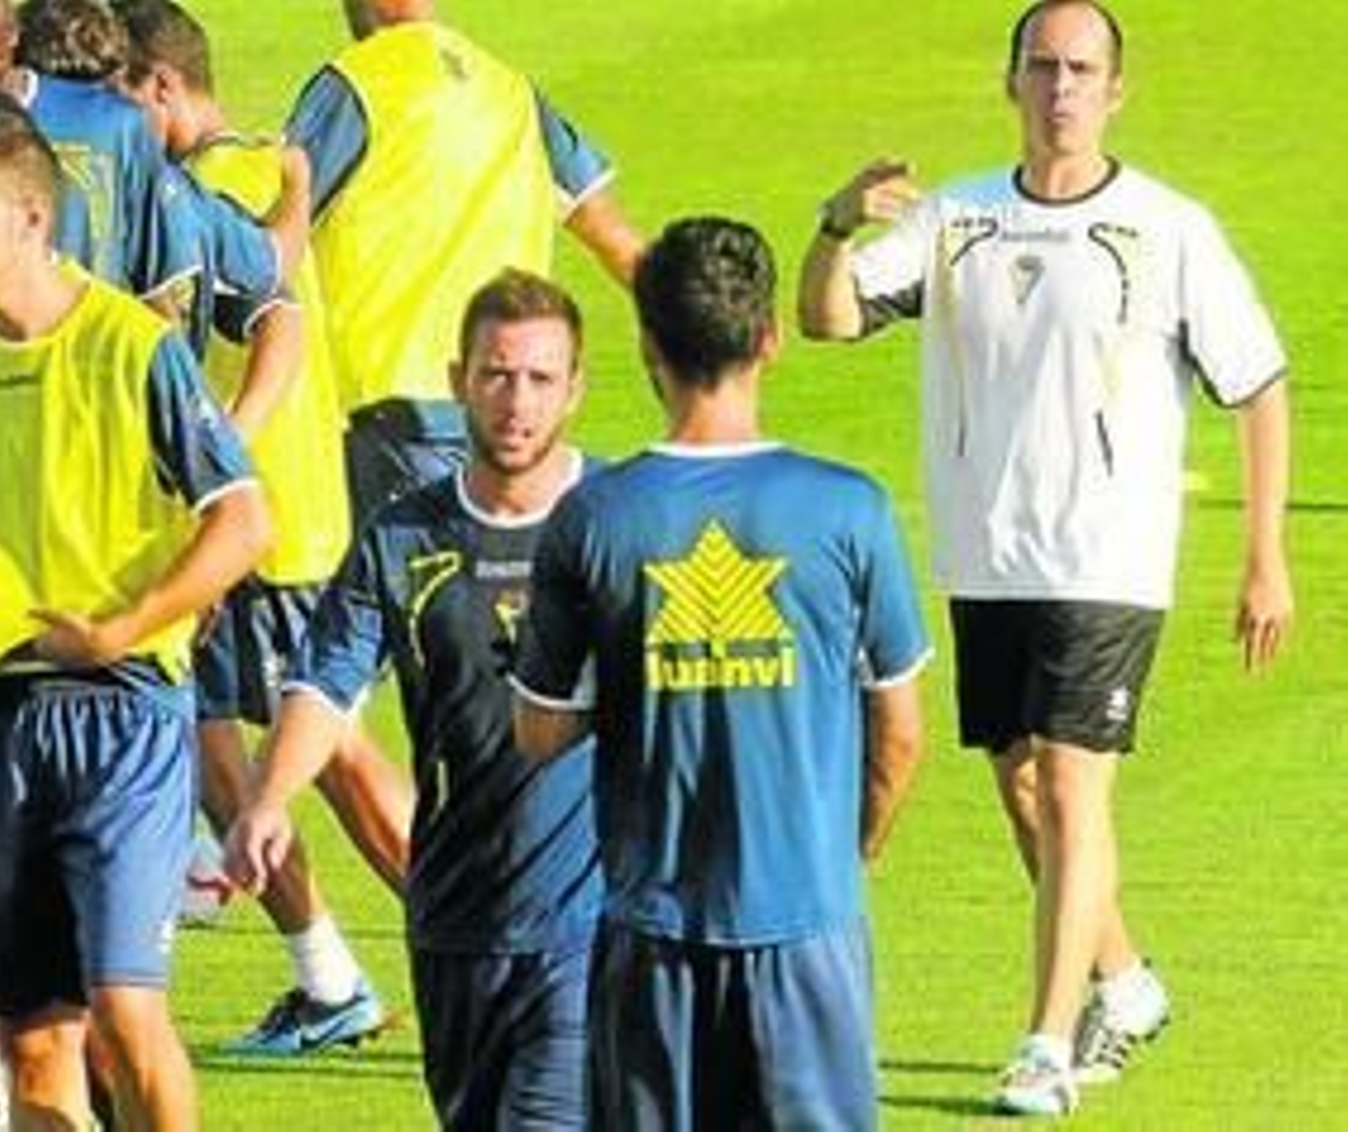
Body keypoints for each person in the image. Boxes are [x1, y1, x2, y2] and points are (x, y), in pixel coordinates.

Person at [796, 0, 1293, 1116]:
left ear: (1115, 90)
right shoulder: (958, 218)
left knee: (1071, 787)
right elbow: (827, 319)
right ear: (1009, 81)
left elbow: (1257, 384)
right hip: (986, 555)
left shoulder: (1165, 228)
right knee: (1024, 786)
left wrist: (1264, 553)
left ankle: (1043, 1042)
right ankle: (1124, 983)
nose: (1060, 87)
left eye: (1081, 69)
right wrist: (832, 225)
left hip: (1105, 559)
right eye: (1042, 67)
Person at [0, 101, 269, 1129]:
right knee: (34, 1041)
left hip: (120, 707)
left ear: (34, 220)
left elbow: (241, 522)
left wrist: (125, 625)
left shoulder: (129, 347)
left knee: (128, 1010)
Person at [512, 217, 930, 1130]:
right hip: (807, 926)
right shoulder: (849, 511)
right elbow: (900, 732)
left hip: (652, 934)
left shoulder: (594, 519)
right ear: (770, 338)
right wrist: (839, 856)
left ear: (648, 344)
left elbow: (539, 730)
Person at [228, 268, 602, 1127]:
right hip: (454, 917)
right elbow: (327, 679)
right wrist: (269, 797)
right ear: (456, 379)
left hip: (594, 927)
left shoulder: (616, 523)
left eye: (541, 379)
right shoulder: (404, 535)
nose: (517, 402)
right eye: (497, 375)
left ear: (575, 389)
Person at [115, 0, 406, 1057]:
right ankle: (333, 965)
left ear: (159, 88)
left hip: (264, 524)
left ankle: (446, 958)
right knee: (231, 739)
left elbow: (268, 292)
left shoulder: (216, 183)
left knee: (314, 747)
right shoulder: (255, 172)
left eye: (116, 102)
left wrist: (217, 454)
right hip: (279, 511)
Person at [288, 0, 645, 522]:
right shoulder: (512, 91)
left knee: (412, 596)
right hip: (514, 408)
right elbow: (616, 240)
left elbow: (269, 236)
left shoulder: (356, 84)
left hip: (394, 418)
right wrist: (708, 335)